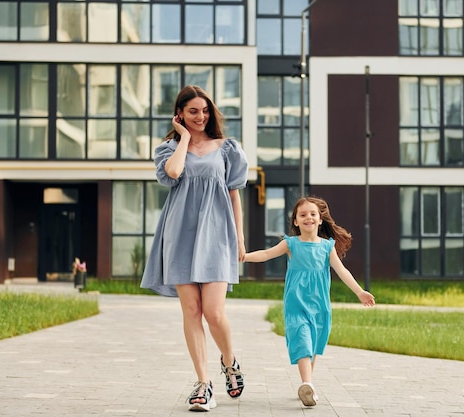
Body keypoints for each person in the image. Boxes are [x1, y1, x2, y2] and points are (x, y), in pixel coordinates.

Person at [141, 85, 247, 412]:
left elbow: (233, 195)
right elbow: (172, 174)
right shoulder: (169, 149)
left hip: (217, 235)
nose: (200, 117)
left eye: (204, 111)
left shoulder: (227, 148)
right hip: (180, 235)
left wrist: (240, 239)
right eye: (192, 112)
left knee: (214, 312)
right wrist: (184, 139)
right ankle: (203, 384)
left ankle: (229, 362)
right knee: (191, 311)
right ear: (180, 115)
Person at [243, 196, 375, 407]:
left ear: (320, 219)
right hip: (296, 305)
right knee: (302, 341)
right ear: (295, 221)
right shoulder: (290, 244)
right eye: (302, 215)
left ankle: (307, 385)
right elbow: (267, 254)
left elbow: (342, 271)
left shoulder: (326, 247)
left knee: (313, 344)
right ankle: (307, 383)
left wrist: (359, 292)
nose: (308, 218)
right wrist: (244, 257)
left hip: (320, 306)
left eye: (313, 214)